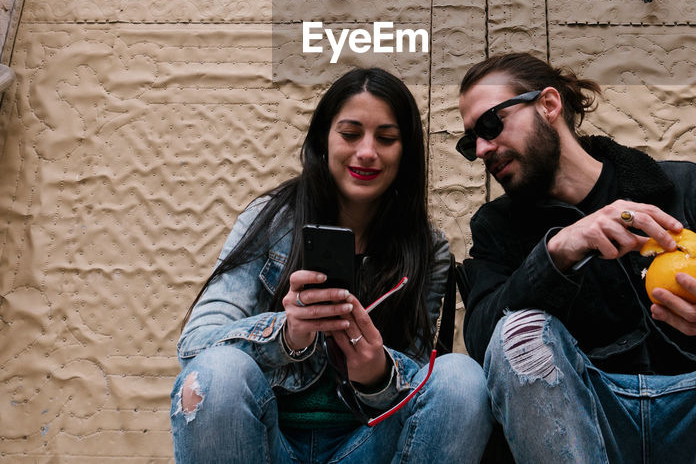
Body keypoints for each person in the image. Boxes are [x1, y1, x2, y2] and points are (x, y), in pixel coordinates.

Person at [455, 52, 696, 463]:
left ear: (549, 105)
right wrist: (559, 251)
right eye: (470, 141)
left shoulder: (681, 188)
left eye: (490, 124)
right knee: (517, 331)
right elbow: (485, 344)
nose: (481, 149)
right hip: (589, 426)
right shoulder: (497, 226)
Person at [172, 67, 490, 464]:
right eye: (350, 134)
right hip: (267, 441)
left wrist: (377, 373)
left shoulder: (427, 246)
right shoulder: (270, 221)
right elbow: (196, 346)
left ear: (405, 152)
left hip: (369, 443)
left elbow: (418, 388)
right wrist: (285, 336)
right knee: (217, 371)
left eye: (387, 138)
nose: (367, 152)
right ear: (323, 141)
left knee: (461, 377)